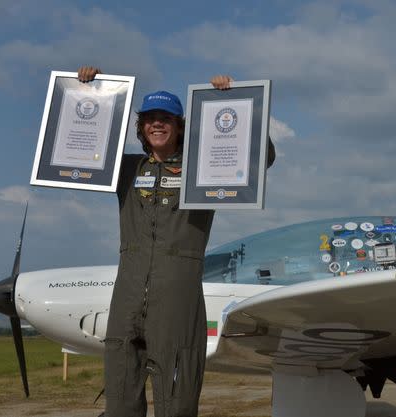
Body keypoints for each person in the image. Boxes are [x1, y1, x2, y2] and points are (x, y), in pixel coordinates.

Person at [77, 66, 275, 417]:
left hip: (178, 292)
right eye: (150, 118)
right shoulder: (126, 170)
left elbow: (262, 158)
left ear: (180, 126)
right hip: (128, 291)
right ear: (141, 126)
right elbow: (85, 146)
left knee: (177, 393)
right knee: (120, 389)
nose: (157, 123)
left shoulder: (206, 170)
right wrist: (89, 92)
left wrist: (231, 103)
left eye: (166, 118)